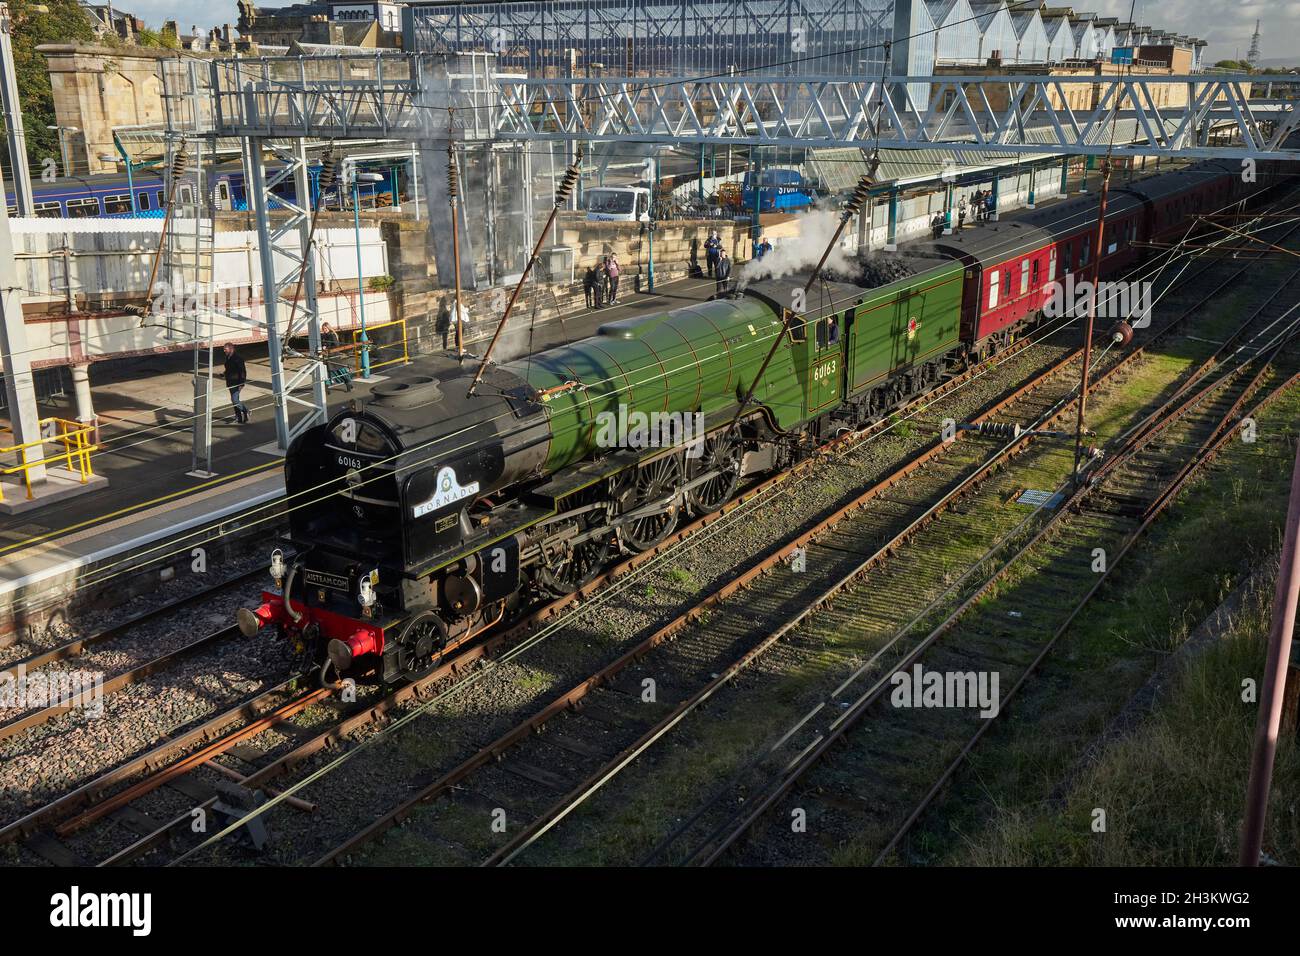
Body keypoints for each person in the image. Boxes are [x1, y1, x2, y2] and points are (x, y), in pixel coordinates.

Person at [223, 342, 250, 424]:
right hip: (230, 382)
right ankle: (239, 417)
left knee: (234, 400)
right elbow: (229, 369)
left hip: (236, 382)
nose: (224, 351)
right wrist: (224, 374)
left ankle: (246, 411)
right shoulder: (228, 357)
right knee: (235, 400)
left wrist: (242, 383)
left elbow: (242, 371)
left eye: (225, 349)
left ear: (231, 349)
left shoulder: (238, 358)